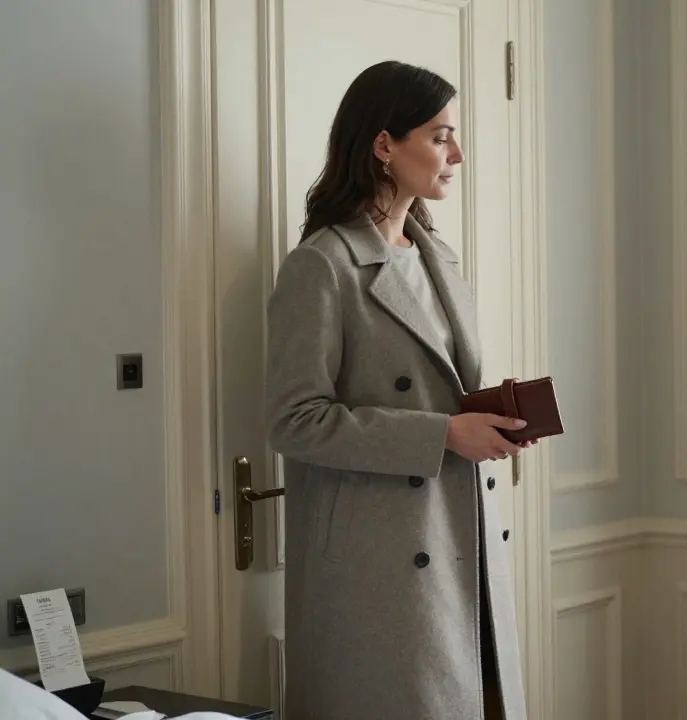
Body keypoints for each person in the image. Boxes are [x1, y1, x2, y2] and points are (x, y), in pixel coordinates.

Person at [264, 60, 532, 720]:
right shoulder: (320, 266)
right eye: (440, 136)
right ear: (385, 145)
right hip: (380, 569)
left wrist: (489, 416)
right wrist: (443, 433)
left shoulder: (437, 257)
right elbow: (295, 421)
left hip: (459, 541)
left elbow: (435, 385)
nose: (457, 154)